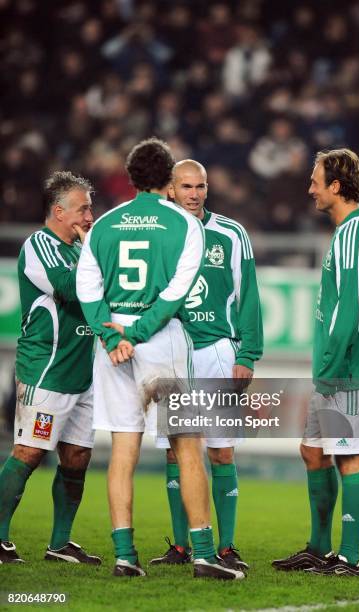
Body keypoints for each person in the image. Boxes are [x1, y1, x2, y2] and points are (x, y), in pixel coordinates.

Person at [76, 138, 245, 580]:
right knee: (187, 446)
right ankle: (205, 554)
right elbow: (176, 293)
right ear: (169, 180)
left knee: (123, 450)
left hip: (112, 340)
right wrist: (138, 332)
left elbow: (87, 289)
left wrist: (112, 336)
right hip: (160, 341)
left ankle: (124, 556)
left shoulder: (105, 225)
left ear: (131, 177)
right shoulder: (185, 225)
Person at [272, 148, 359, 576]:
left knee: (351, 458)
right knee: (313, 451)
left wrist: (332, 365)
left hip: (346, 369)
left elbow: (350, 308)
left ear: (336, 185)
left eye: (317, 180)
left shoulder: (354, 234)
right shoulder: (353, 232)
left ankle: (348, 557)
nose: (310, 187)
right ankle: (318, 547)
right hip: (339, 365)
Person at [150, 160, 263, 570]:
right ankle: (182, 546)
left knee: (220, 452)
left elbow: (248, 295)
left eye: (200, 186)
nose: (195, 194)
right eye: (186, 186)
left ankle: (227, 546)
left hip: (217, 350)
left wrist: (248, 354)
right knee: (174, 453)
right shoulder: (159, 234)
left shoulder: (231, 234)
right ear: (170, 190)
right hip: (172, 352)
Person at [0, 171, 100, 565]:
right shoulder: (39, 246)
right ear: (59, 211)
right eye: (83, 208)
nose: (90, 215)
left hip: (83, 371)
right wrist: (95, 258)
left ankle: (60, 544)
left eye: (91, 207)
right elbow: (73, 289)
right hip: (47, 369)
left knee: (77, 456)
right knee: (29, 451)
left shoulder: (79, 249)